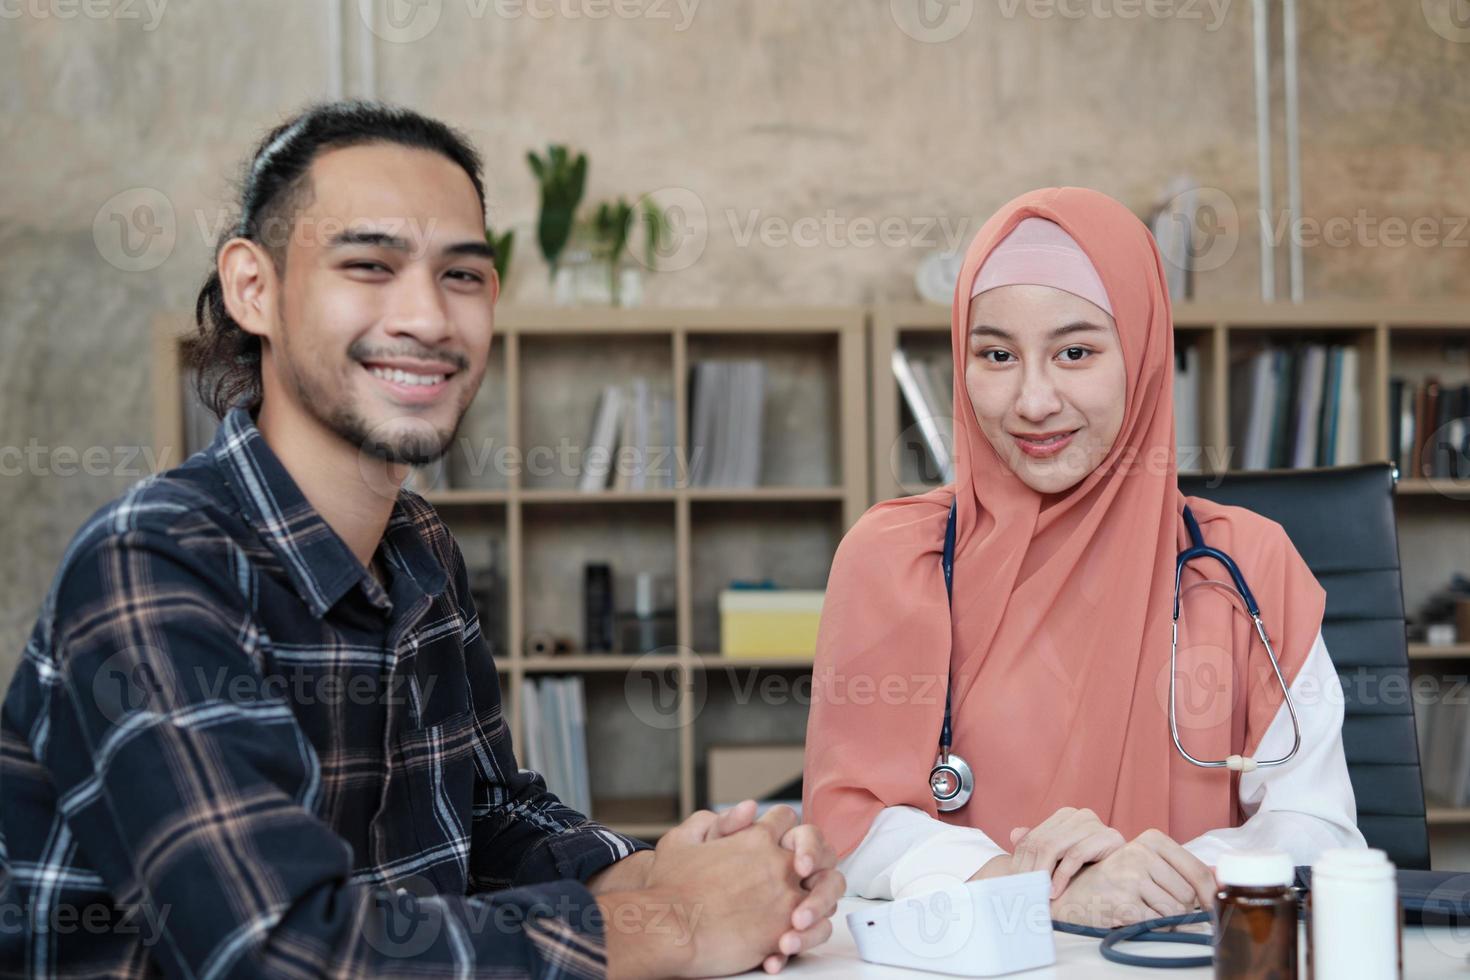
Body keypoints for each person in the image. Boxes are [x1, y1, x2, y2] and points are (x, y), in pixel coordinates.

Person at [0, 100, 843, 979]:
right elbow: (282, 952)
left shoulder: (419, 546)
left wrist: (667, 868)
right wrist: (677, 923)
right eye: (369, 264)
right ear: (256, 288)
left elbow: (487, 814)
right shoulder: (151, 565)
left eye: (463, 276)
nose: (430, 320)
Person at [803, 187, 1364, 929]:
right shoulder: (892, 561)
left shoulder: (1250, 566)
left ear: (1144, 357)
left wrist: (1158, 876)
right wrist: (1025, 886)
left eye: (1076, 352)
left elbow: (1319, 829)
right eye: (996, 354)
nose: (1033, 400)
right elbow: (848, 828)